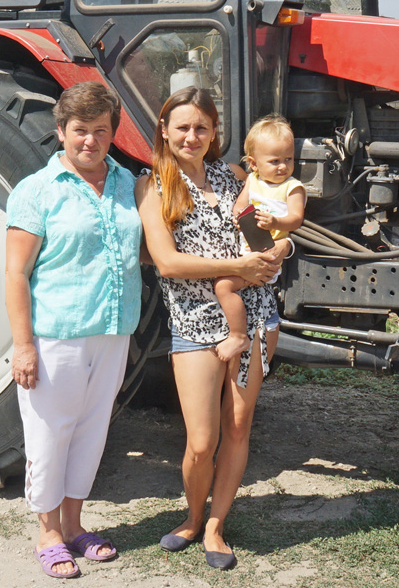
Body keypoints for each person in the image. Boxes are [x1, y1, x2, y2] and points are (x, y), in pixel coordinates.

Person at [135, 86, 289, 571]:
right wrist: (237, 265)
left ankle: (217, 525)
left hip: (256, 314)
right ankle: (193, 515)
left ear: (214, 132)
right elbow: (166, 262)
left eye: (201, 127)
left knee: (239, 425)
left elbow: (278, 225)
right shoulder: (153, 184)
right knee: (201, 441)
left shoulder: (235, 175)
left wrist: (279, 251)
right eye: (182, 126)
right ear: (164, 129)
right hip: (194, 321)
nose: (192, 136)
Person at [5, 81, 142, 579]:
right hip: (57, 332)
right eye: (80, 130)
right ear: (61, 131)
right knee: (50, 433)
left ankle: (75, 523)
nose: (90, 140)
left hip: (113, 329)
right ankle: (47, 533)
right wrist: (23, 346)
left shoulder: (128, 183)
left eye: (100, 131)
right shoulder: (37, 191)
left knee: (90, 431)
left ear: (112, 134)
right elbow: (16, 273)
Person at [212, 115, 306, 362]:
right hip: (248, 249)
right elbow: (241, 205)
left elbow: (296, 219)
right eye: (274, 161)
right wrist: (237, 216)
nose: (283, 167)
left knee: (223, 286)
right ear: (253, 164)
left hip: (268, 253)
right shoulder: (252, 181)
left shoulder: (292, 187)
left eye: (288, 159)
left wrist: (276, 222)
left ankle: (238, 335)